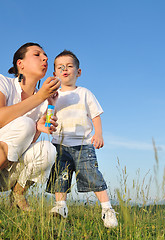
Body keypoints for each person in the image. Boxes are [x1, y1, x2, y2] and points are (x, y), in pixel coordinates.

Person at [0, 42, 61, 211]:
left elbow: (24, 144)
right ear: (20, 64)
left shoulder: (43, 100)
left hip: (6, 175)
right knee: (25, 123)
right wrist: (39, 99)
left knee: (48, 149)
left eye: (45, 56)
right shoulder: (2, 82)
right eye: (37, 55)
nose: (45, 58)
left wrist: (41, 122)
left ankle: (17, 195)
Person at [45, 50, 118, 228]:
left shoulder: (85, 93)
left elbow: (95, 115)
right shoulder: (54, 95)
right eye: (60, 67)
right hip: (60, 144)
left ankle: (107, 209)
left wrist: (98, 134)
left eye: (69, 66)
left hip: (84, 145)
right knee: (60, 176)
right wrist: (51, 104)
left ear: (78, 72)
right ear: (55, 73)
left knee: (92, 175)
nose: (65, 69)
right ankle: (60, 206)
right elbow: (47, 124)